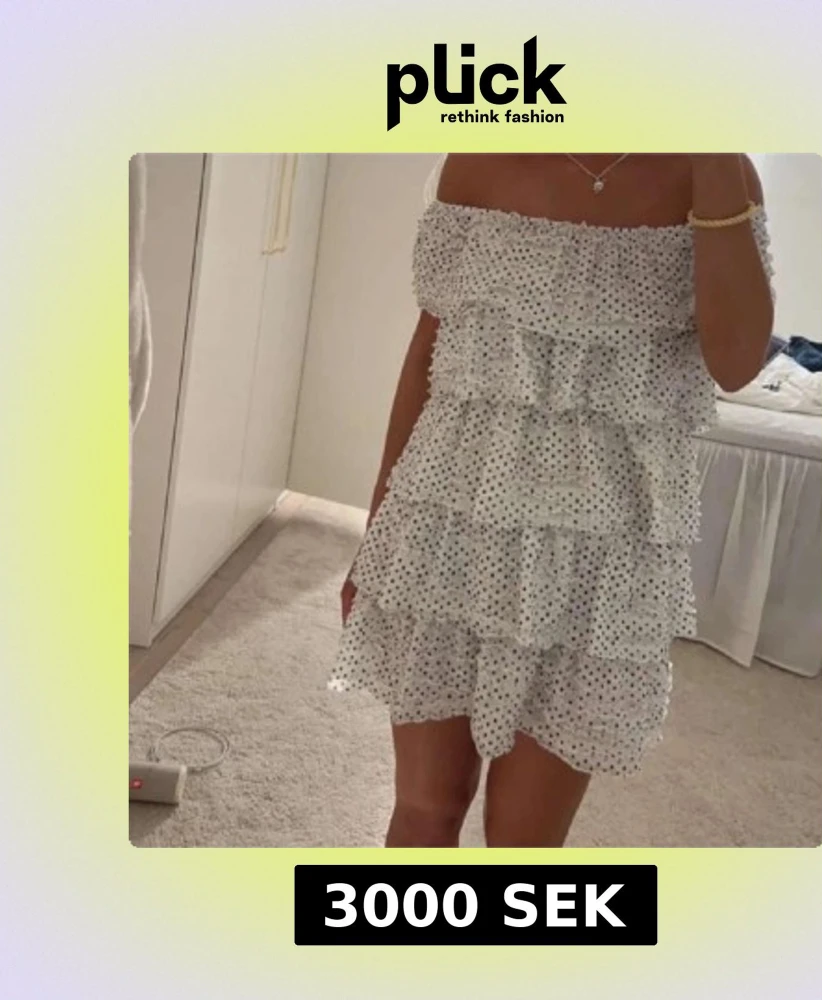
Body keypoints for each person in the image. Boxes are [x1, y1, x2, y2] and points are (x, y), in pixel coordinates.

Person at [330, 153, 775, 848]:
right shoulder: (479, 159)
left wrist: (713, 155)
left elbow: (738, 364)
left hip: (602, 566)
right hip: (450, 528)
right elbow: (429, 351)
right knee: (425, 809)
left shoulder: (721, 174)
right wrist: (378, 534)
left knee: (525, 840)